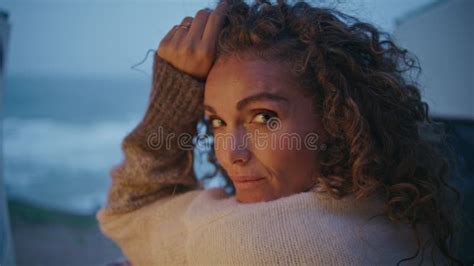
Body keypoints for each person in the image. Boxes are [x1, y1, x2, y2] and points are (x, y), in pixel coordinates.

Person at [96, 0, 464, 265]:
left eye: (264, 118)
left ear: (336, 119)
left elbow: (130, 211)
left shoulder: (251, 244)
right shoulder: (403, 214)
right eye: (217, 122)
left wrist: (174, 89)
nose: (232, 154)